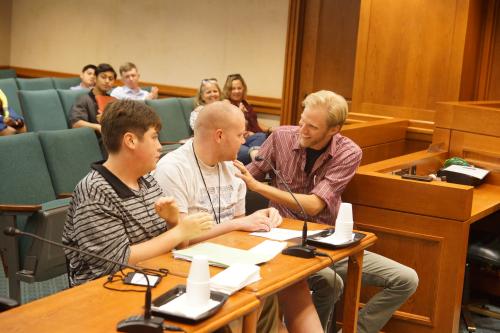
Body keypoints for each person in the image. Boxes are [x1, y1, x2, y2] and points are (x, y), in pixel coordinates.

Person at [235, 90, 419, 333]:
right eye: (302, 121)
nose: (302, 129)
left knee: (406, 280)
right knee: (331, 284)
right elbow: (245, 177)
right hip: (281, 242)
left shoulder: (349, 152)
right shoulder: (280, 137)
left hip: (327, 243)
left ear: (334, 129)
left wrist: (258, 188)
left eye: (312, 126)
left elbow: (314, 204)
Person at [154, 101, 323, 333]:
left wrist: (260, 218)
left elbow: (239, 230)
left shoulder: (232, 168)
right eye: (240, 135)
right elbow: (179, 238)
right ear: (220, 135)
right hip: (189, 267)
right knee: (261, 296)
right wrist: (240, 223)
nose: (244, 142)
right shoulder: (173, 168)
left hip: (228, 259)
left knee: (283, 286)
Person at [62, 99, 213, 286]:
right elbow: (115, 264)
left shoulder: (148, 181)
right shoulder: (94, 191)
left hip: (156, 277)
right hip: (107, 292)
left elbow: (177, 248)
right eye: (154, 137)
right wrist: (180, 231)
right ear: (131, 141)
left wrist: (173, 222)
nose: (160, 146)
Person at [223, 73, 272, 164]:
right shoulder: (226, 103)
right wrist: (240, 113)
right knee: (253, 152)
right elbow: (228, 127)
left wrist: (270, 129)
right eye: (233, 88)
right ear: (228, 90)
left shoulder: (244, 103)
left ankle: (255, 160)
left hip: (248, 139)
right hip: (233, 141)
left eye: (239, 88)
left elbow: (255, 122)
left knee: (261, 136)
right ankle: (256, 162)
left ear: (243, 89)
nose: (237, 91)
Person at [70, 63, 117, 134]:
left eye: (110, 79)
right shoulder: (83, 99)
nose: (107, 81)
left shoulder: (114, 101)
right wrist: (98, 127)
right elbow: (76, 123)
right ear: (95, 78)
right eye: (103, 77)